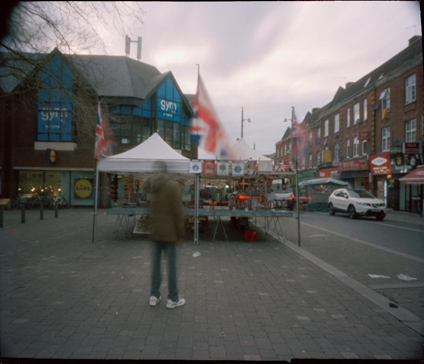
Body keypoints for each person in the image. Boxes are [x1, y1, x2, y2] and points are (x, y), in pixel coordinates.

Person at [149, 161, 185, 309]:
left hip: (155, 232)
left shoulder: (152, 186)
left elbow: (150, 208)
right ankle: (172, 298)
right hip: (170, 234)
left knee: (156, 267)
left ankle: (154, 295)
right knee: (171, 267)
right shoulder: (173, 187)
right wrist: (180, 233)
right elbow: (178, 211)